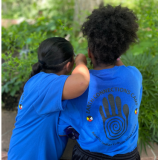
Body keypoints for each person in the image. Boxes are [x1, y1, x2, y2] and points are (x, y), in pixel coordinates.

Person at [58, 5, 142, 159]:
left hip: (90, 155)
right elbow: (120, 66)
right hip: (129, 155)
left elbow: (65, 122)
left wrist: (80, 63)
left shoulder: (80, 86)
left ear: (90, 52)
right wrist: (115, 54)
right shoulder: (134, 76)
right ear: (121, 51)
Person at [7, 37, 90, 159]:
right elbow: (81, 82)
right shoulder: (47, 85)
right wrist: (81, 61)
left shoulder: (40, 80)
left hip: (21, 152)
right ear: (68, 65)